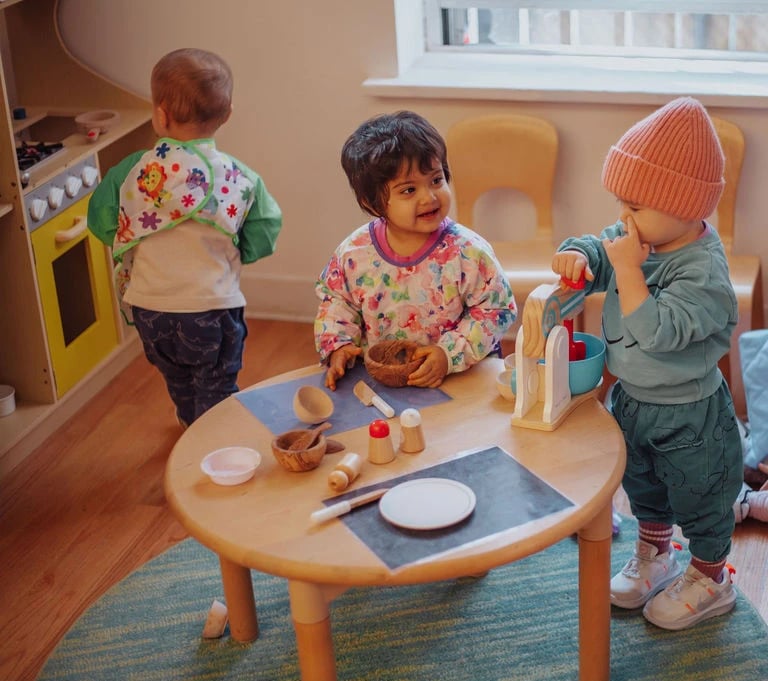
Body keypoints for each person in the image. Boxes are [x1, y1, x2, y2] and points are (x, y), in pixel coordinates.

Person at [551, 97, 742, 631]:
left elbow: (657, 332)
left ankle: (711, 577)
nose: (621, 217)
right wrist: (580, 255)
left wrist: (629, 272)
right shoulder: (642, 236)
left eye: (633, 205)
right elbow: (601, 247)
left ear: (683, 205)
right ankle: (656, 555)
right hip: (632, 400)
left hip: (691, 415)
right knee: (644, 486)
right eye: (620, 202)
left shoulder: (704, 272)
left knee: (701, 496)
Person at [88, 48, 282, 428]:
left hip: (150, 308)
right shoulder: (239, 177)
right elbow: (266, 227)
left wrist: (130, 238)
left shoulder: (130, 171)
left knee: (177, 377)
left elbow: (101, 220)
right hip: (210, 307)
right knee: (216, 384)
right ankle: (209, 445)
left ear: (160, 115)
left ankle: (189, 425)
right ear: (226, 115)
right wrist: (240, 250)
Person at [314, 110, 516, 390]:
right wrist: (338, 345)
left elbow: (496, 309)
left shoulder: (468, 252)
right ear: (373, 204)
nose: (429, 196)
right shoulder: (353, 254)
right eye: (409, 190)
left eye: (436, 180)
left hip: (459, 378)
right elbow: (337, 301)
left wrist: (448, 355)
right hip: (385, 384)